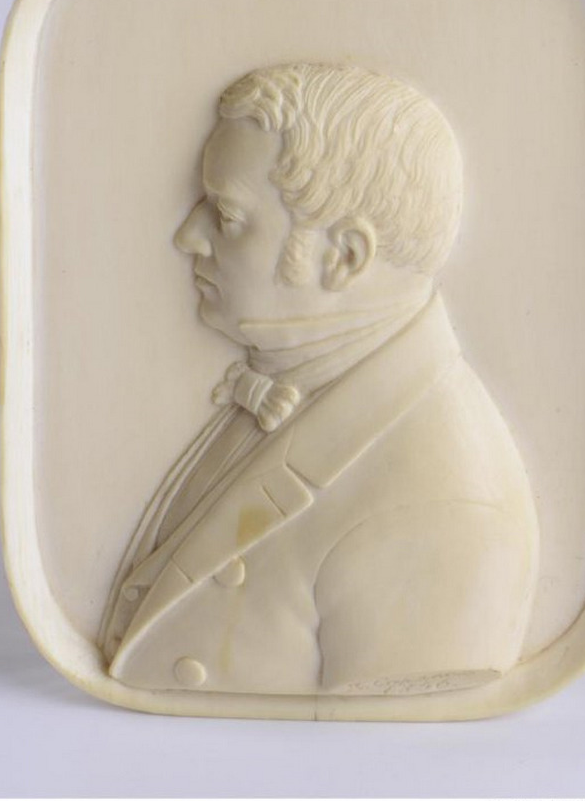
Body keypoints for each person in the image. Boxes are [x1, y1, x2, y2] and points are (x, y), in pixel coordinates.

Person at [98, 63, 539, 696]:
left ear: (344, 256)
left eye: (226, 215)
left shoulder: (443, 511)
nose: (188, 236)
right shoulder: (296, 375)